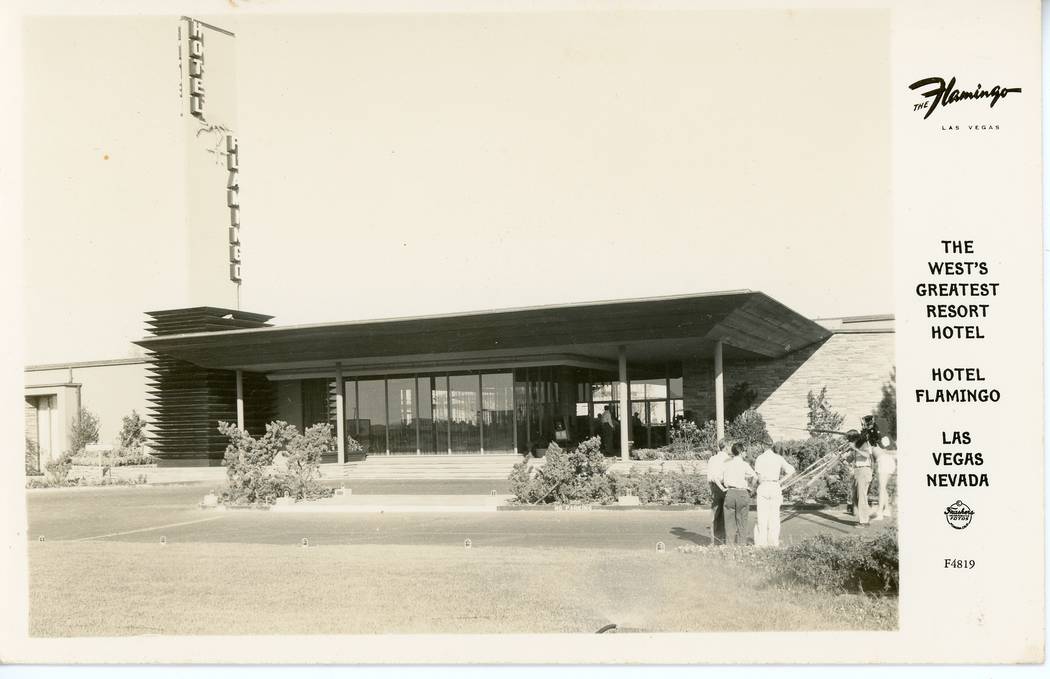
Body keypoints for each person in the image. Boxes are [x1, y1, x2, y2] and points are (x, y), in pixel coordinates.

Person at [753, 445, 796, 547]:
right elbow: (791, 470)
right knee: (774, 517)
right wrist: (780, 481)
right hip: (775, 486)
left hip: (764, 486)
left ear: (763, 446)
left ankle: (761, 544)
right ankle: (773, 543)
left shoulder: (760, 458)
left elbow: (759, 479)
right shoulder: (778, 458)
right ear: (771, 446)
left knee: (762, 517)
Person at [720, 442, 756, 545]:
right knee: (742, 522)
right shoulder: (744, 465)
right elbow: (755, 477)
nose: (745, 453)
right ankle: (741, 546)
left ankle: (729, 547)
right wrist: (750, 488)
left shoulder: (726, 464)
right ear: (741, 452)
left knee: (729, 523)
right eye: (744, 451)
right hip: (742, 493)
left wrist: (723, 488)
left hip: (730, 493)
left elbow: (718, 478)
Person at [845, 429, 874, 525]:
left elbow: (866, 455)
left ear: (853, 438)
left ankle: (864, 521)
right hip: (857, 471)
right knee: (856, 497)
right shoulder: (855, 446)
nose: (848, 441)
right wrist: (844, 456)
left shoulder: (864, 444)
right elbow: (850, 460)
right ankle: (865, 517)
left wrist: (855, 448)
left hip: (864, 470)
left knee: (862, 497)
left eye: (849, 439)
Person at [705, 439, 730, 545]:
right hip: (724, 485)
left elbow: (709, 476)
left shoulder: (712, 459)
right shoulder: (728, 459)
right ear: (726, 447)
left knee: (715, 512)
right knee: (726, 512)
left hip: (714, 486)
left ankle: (715, 540)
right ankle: (724, 539)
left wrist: (711, 487)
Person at [872, 435, 897, 521]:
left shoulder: (882, 437)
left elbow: (894, 452)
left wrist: (882, 451)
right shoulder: (886, 437)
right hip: (888, 463)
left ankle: (879, 513)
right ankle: (886, 510)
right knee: (883, 487)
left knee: (881, 488)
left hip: (884, 462)